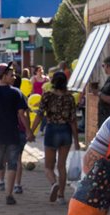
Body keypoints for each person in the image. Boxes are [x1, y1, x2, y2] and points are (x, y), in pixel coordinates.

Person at [0, 64, 34, 205]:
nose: (14, 77)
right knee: (12, 164)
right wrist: (28, 130)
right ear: (3, 76)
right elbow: (21, 114)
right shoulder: (16, 93)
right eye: (11, 74)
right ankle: (9, 194)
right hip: (12, 133)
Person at [31, 71, 79, 203]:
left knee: (48, 166)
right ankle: (61, 196)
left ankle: (54, 183)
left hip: (52, 130)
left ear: (53, 82)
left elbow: (40, 115)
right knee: (61, 166)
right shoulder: (70, 97)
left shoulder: (47, 95)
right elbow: (73, 120)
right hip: (66, 131)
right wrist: (76, 140)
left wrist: (31, 131)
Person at [93, 55, 110, 132]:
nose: (103, 68)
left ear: (107, 66)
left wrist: (98, 93)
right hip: (105, 116)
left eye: (103, 66)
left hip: (109, 117)